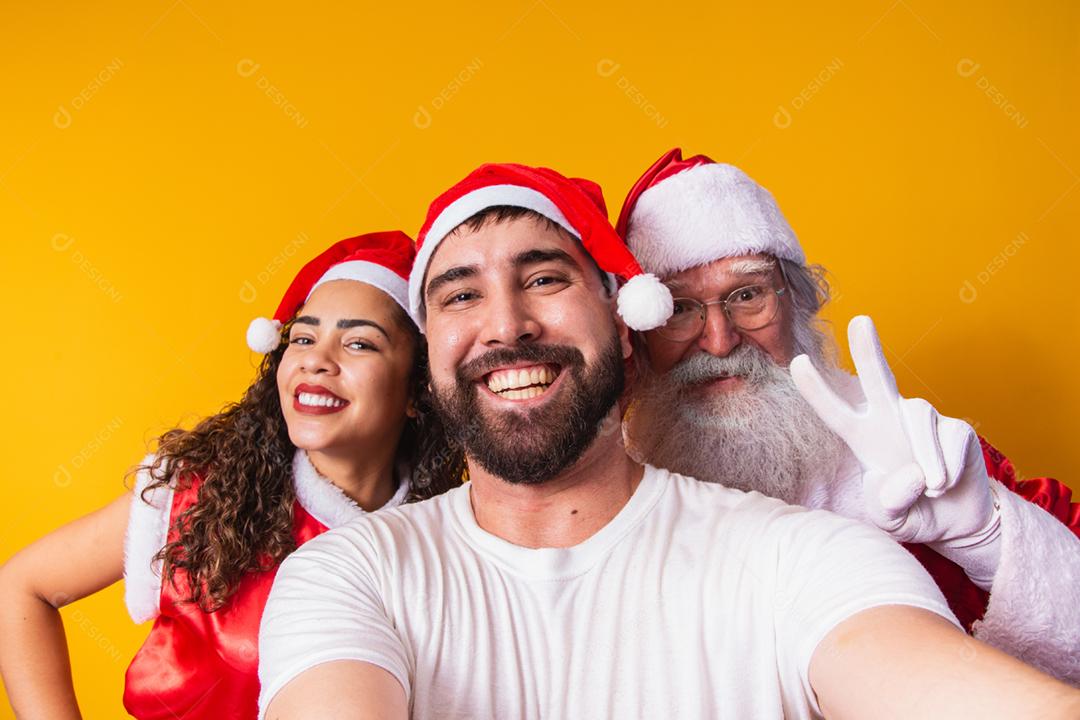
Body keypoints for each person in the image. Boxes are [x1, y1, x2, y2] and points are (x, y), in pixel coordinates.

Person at [257, 162, 1080, 719]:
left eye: (545, 278)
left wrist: (989, 531)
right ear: (428, 351)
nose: (506, 325)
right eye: (460, 295)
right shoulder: (346, 576)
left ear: (620, 326)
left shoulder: (812, 555)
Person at [618, 147, 1080, 684]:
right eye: (678, 310)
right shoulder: (603, 482)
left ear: (799, 304)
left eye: (748, 295)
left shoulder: (915, 452)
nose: (719, 341)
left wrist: (985, 536)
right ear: (637, 334)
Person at [0, 231, 461, 719]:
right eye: (302, 338)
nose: (315, 361)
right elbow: (22, 587)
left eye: (359, 343)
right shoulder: (201, 495)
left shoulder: (449, 539)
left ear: (419, 390)